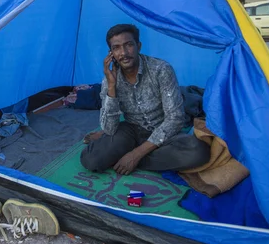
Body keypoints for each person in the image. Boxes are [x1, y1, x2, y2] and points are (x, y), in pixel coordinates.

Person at [80, 24, 210, 175]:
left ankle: (129, 158)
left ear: (138, 46)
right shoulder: (110, 79)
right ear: (111, 54)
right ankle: (137, 155)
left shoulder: (161, 70)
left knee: (198, 152)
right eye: (116, 48)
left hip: (163, 131)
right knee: (91, 160)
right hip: (131, 129)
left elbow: (175, 119)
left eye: (129, 45)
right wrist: (111, 86)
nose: (123, 53)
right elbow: (109, 129)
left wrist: (136, 154)